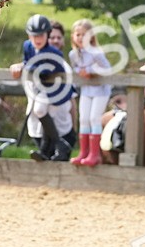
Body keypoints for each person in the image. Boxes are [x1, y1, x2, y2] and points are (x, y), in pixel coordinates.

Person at [10, 14, 75, 162]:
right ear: (28, 35)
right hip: (43, 89)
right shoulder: (27, 46)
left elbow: (43, 71)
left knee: (39, 110)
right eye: (34, 36)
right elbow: (27, 61)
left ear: (47, 34)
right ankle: (47, 150)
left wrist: (24, 67)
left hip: (56, 90)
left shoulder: (54, 53)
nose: (37, 39)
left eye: (41, 35)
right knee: (43, 113)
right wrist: (22, 65)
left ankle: (59, 144)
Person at [68, 19, 112, 167]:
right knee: (84, 119)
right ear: (73, 36)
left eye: (84, 34)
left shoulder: (96, 52)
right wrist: (79, 72)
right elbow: (74, 68)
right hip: (86, 90)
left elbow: (107, 68)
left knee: (94, 118)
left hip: (101, 90)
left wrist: (91, 71)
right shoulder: (73, 54)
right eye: (78, 34)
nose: (80, 37)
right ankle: (83, 152)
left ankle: (95, 154)